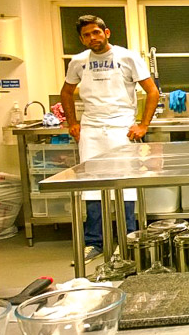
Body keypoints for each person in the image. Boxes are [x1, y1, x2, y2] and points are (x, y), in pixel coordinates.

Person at [60, 15, 160, 262]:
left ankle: (126, 241)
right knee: (92, 188)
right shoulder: (78, 62)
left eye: (96, 32)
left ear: (107, 32)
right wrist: (72, 123)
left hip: (121, 129)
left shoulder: (127, 57)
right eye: (86, 35)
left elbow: (152, 91)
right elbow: (66, 92)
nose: (92, 38)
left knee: (125, 186)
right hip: (92, 130)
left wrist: (143, 125)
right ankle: (95, 242)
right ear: (81, 39)